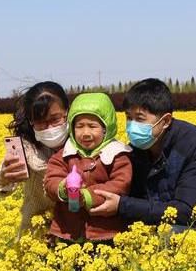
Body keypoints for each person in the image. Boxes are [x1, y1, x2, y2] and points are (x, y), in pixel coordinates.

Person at [91, 78, 196, 247]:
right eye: (129, 118)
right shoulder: (136, 151)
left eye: (140, 119)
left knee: (166, 236)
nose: (132, 126)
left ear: (165, 121)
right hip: (178, 232)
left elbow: (188, 212)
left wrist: (122, 206)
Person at [44, 93, 133, 245]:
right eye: (79, 126)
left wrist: (87, 196)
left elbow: (120, 184)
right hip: (67, 232)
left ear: (106, 129)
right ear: (71, 128)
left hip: (106, 233)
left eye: (92, 126)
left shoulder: (117, 155)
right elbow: (51, 179)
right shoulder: (64, 155)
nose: (85, 133)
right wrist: (63, 188)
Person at [0, 81, 70, 238]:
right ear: (31, 121)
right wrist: (3, 177)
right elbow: (0, 179)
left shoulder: (82, 140)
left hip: (75, 235)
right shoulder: (27, 147)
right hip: (35, 234)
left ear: (67, 112)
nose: (49, 128)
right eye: (40, 122)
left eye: (55, 119)